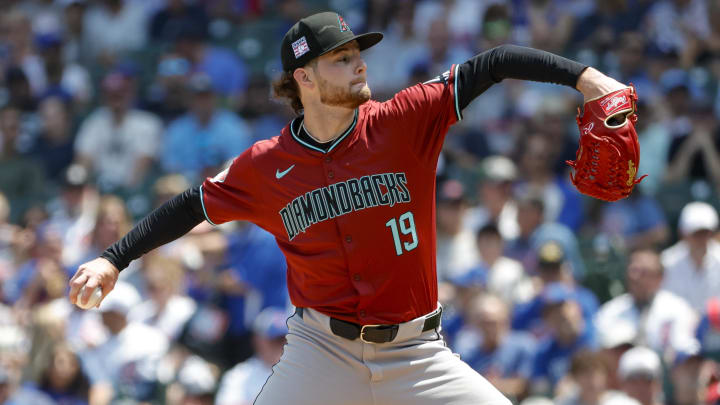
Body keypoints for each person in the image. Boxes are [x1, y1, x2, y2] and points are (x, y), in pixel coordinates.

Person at [69, 11, 629, 405]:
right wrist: (114, 259)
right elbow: (191, 206)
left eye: (357, 54)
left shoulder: (402, 120)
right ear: (304, 78)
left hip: (416, 353)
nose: (359, 64)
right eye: (341, 59)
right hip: (321, 353)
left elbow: (496, 61)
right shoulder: (266, 165)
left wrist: (588, 78)